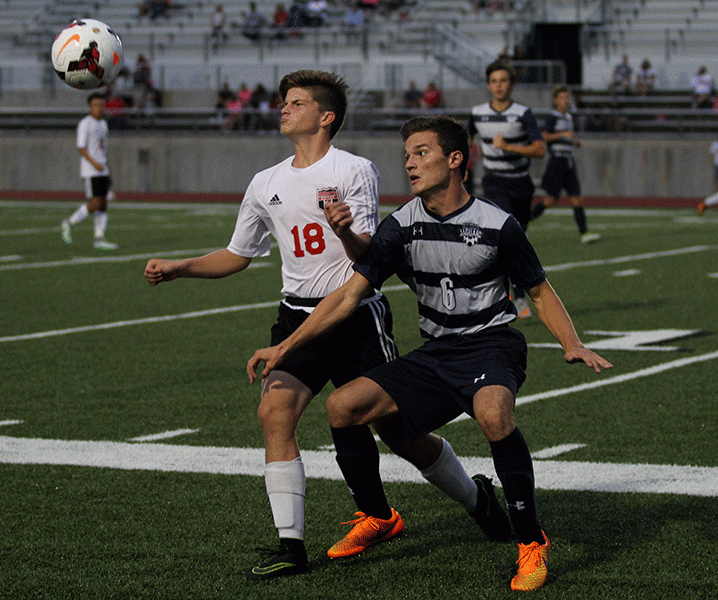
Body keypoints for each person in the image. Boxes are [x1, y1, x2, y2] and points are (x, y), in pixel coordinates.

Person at [144, 70, 510, 581]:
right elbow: (238, 253)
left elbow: (367, 257)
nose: (283, 109)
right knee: (275, 412)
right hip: (296, 312)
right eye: (283, 102)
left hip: (354, 314)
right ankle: (292, 545)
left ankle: (476, 498)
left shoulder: (354, 169)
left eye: (295, 103)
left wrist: (345, 231)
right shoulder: (264, 182)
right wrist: (181, 267)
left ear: (326, 115)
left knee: (398, 432)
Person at [248, 114, 614, 592]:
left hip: (491, 344)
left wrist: (573, 344)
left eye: (422, 153)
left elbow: (539, 291)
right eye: (407, 156)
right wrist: (287, 345)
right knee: (343, 407)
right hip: (437, 351)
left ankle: (531, 543)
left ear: (455, 159)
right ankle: (378, 517)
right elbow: (347, 295)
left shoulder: (497, 224)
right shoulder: (400, 227)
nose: (410, 164)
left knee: (493, 415)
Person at [467, 59, 544, 319]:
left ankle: (518, 290)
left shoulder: (522, 113)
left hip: (521, 183)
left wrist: (508, 147)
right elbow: (465, 141)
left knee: (519, 236)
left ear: (511, 85)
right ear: (488, 85)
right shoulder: (477, 112)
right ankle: (511, 295)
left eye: (503, 81)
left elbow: (540, 149)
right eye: (494, 81)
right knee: (505, 233)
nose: (499, 86)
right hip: (494, 182)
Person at [530, 85, 601, 244]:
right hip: (557, 161)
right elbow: (544, 136)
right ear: (555, 100)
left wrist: (573, 143)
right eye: (561, 98)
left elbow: (564, 138)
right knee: (551, 200)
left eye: (566, 98)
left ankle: (584, 232)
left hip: (569, 160)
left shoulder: (569, 117)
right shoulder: (553, 117)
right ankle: (523, 223)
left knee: (576, 198)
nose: (564, 101)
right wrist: (563, 134)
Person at [60, 92, 117, 250]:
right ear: (90, 107)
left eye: (101, 105)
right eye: (95, 105)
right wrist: (95, 164)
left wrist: (108, 170)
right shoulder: (85, 124)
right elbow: (81, 148)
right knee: (96, 203)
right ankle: (69, 222)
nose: (99, 108)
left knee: (104, 204)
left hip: (103, 170)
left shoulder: (103, 124)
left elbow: (103, 151)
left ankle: (99, 238)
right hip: (91, 171)